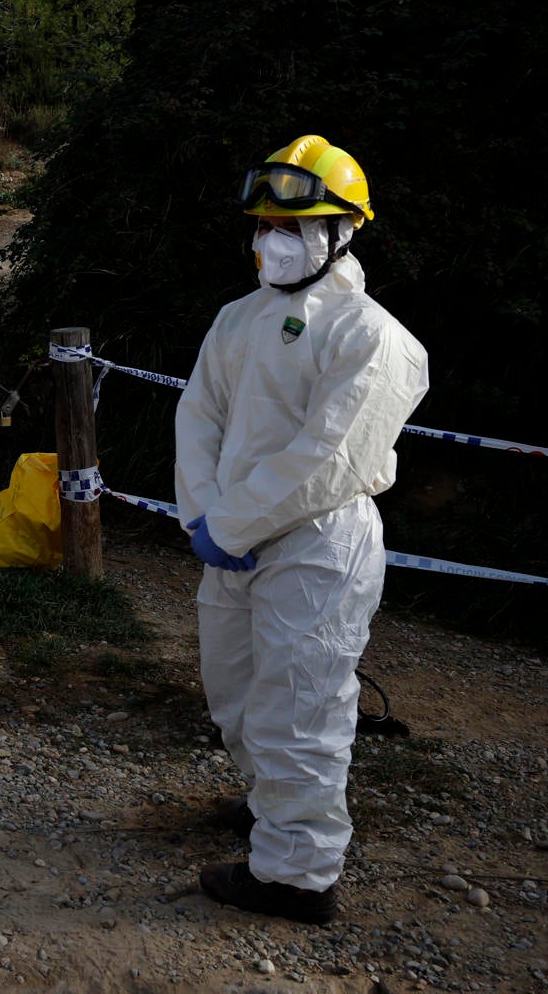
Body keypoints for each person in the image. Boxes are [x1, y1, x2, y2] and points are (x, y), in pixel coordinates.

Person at [175, 135, 429, 924]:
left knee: (301, 704)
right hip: (230, 537)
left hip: (317, 545)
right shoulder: (238, 319)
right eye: (264, 227)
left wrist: (235, 519)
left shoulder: (372, 336)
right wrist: (204, 514)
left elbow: (334, 455)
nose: (272, 242)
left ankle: (297, 874)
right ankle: (271, 814)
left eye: (296, 227)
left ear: (342, 232)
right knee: (238, 697)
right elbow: (200, 415)